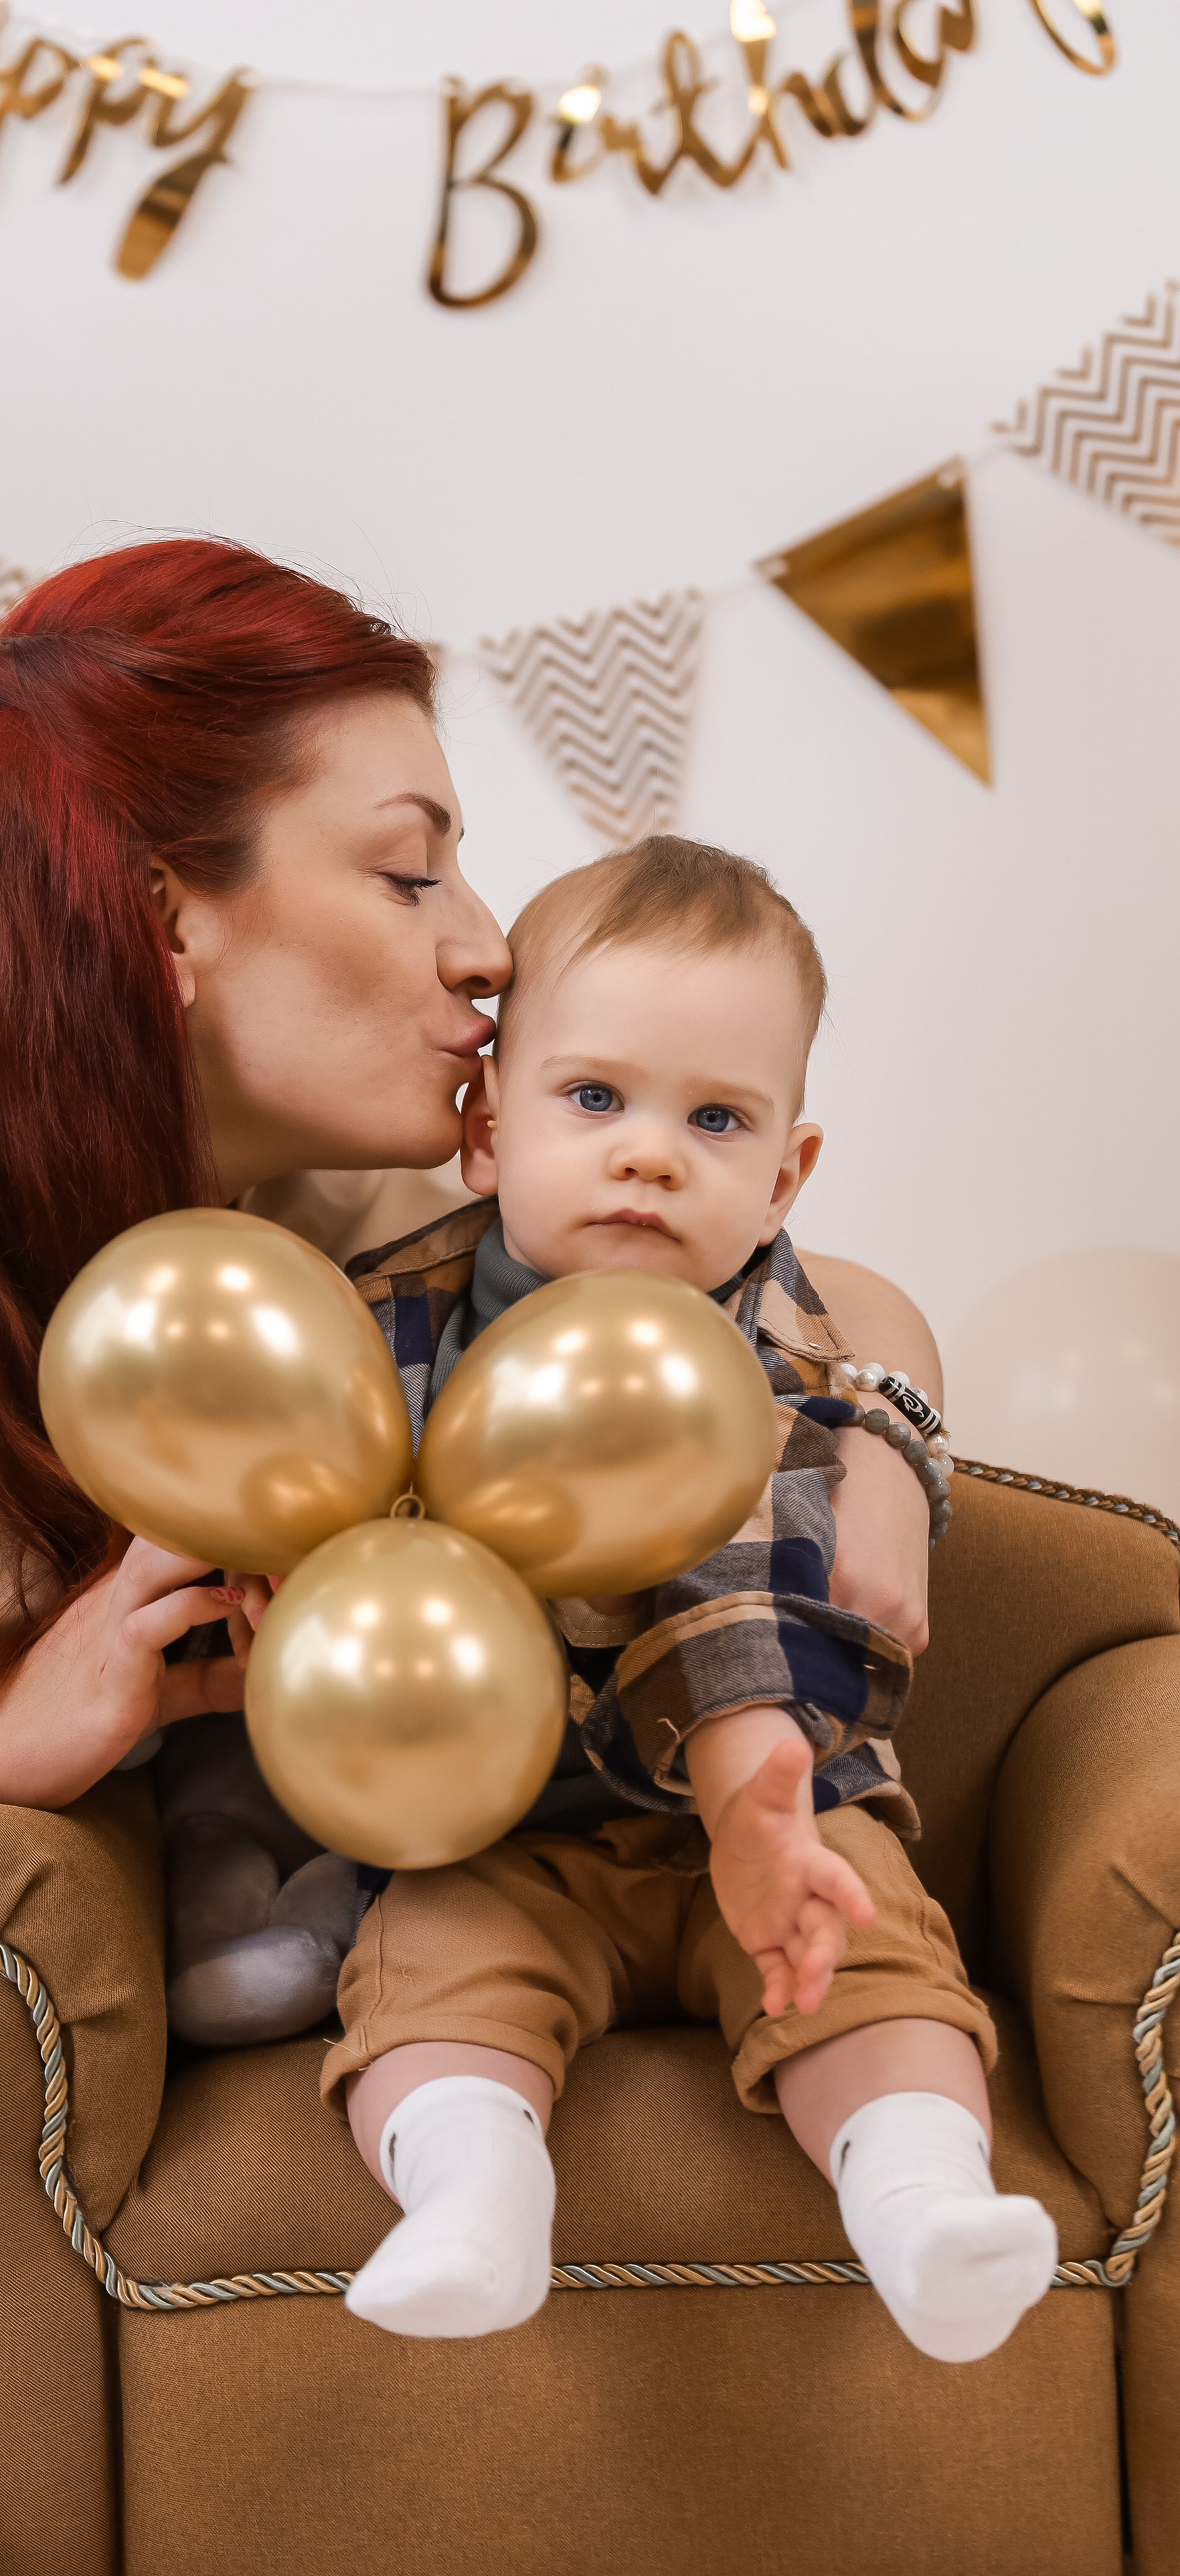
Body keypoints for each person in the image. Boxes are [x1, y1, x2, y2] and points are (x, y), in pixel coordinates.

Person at [0, 541, 938, 2576]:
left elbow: (804, 1278)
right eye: (412, 869)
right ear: (164, 911)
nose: (492, 947)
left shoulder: (273, 1227)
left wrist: (887, 1452)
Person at [307, 839, 1058, 2362]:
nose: (648, 1153)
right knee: (427, 1977)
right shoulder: (376, 1327)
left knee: (875, 1964)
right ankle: (472, 2192)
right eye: (593, 1100)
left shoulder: (783, 1362)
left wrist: (755, 1807)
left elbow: (737, 1579)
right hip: (500, 1828)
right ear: (484, 1126)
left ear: (783, 1174)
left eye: (713, 1119)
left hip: (780, 1816)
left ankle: (921, 2198)